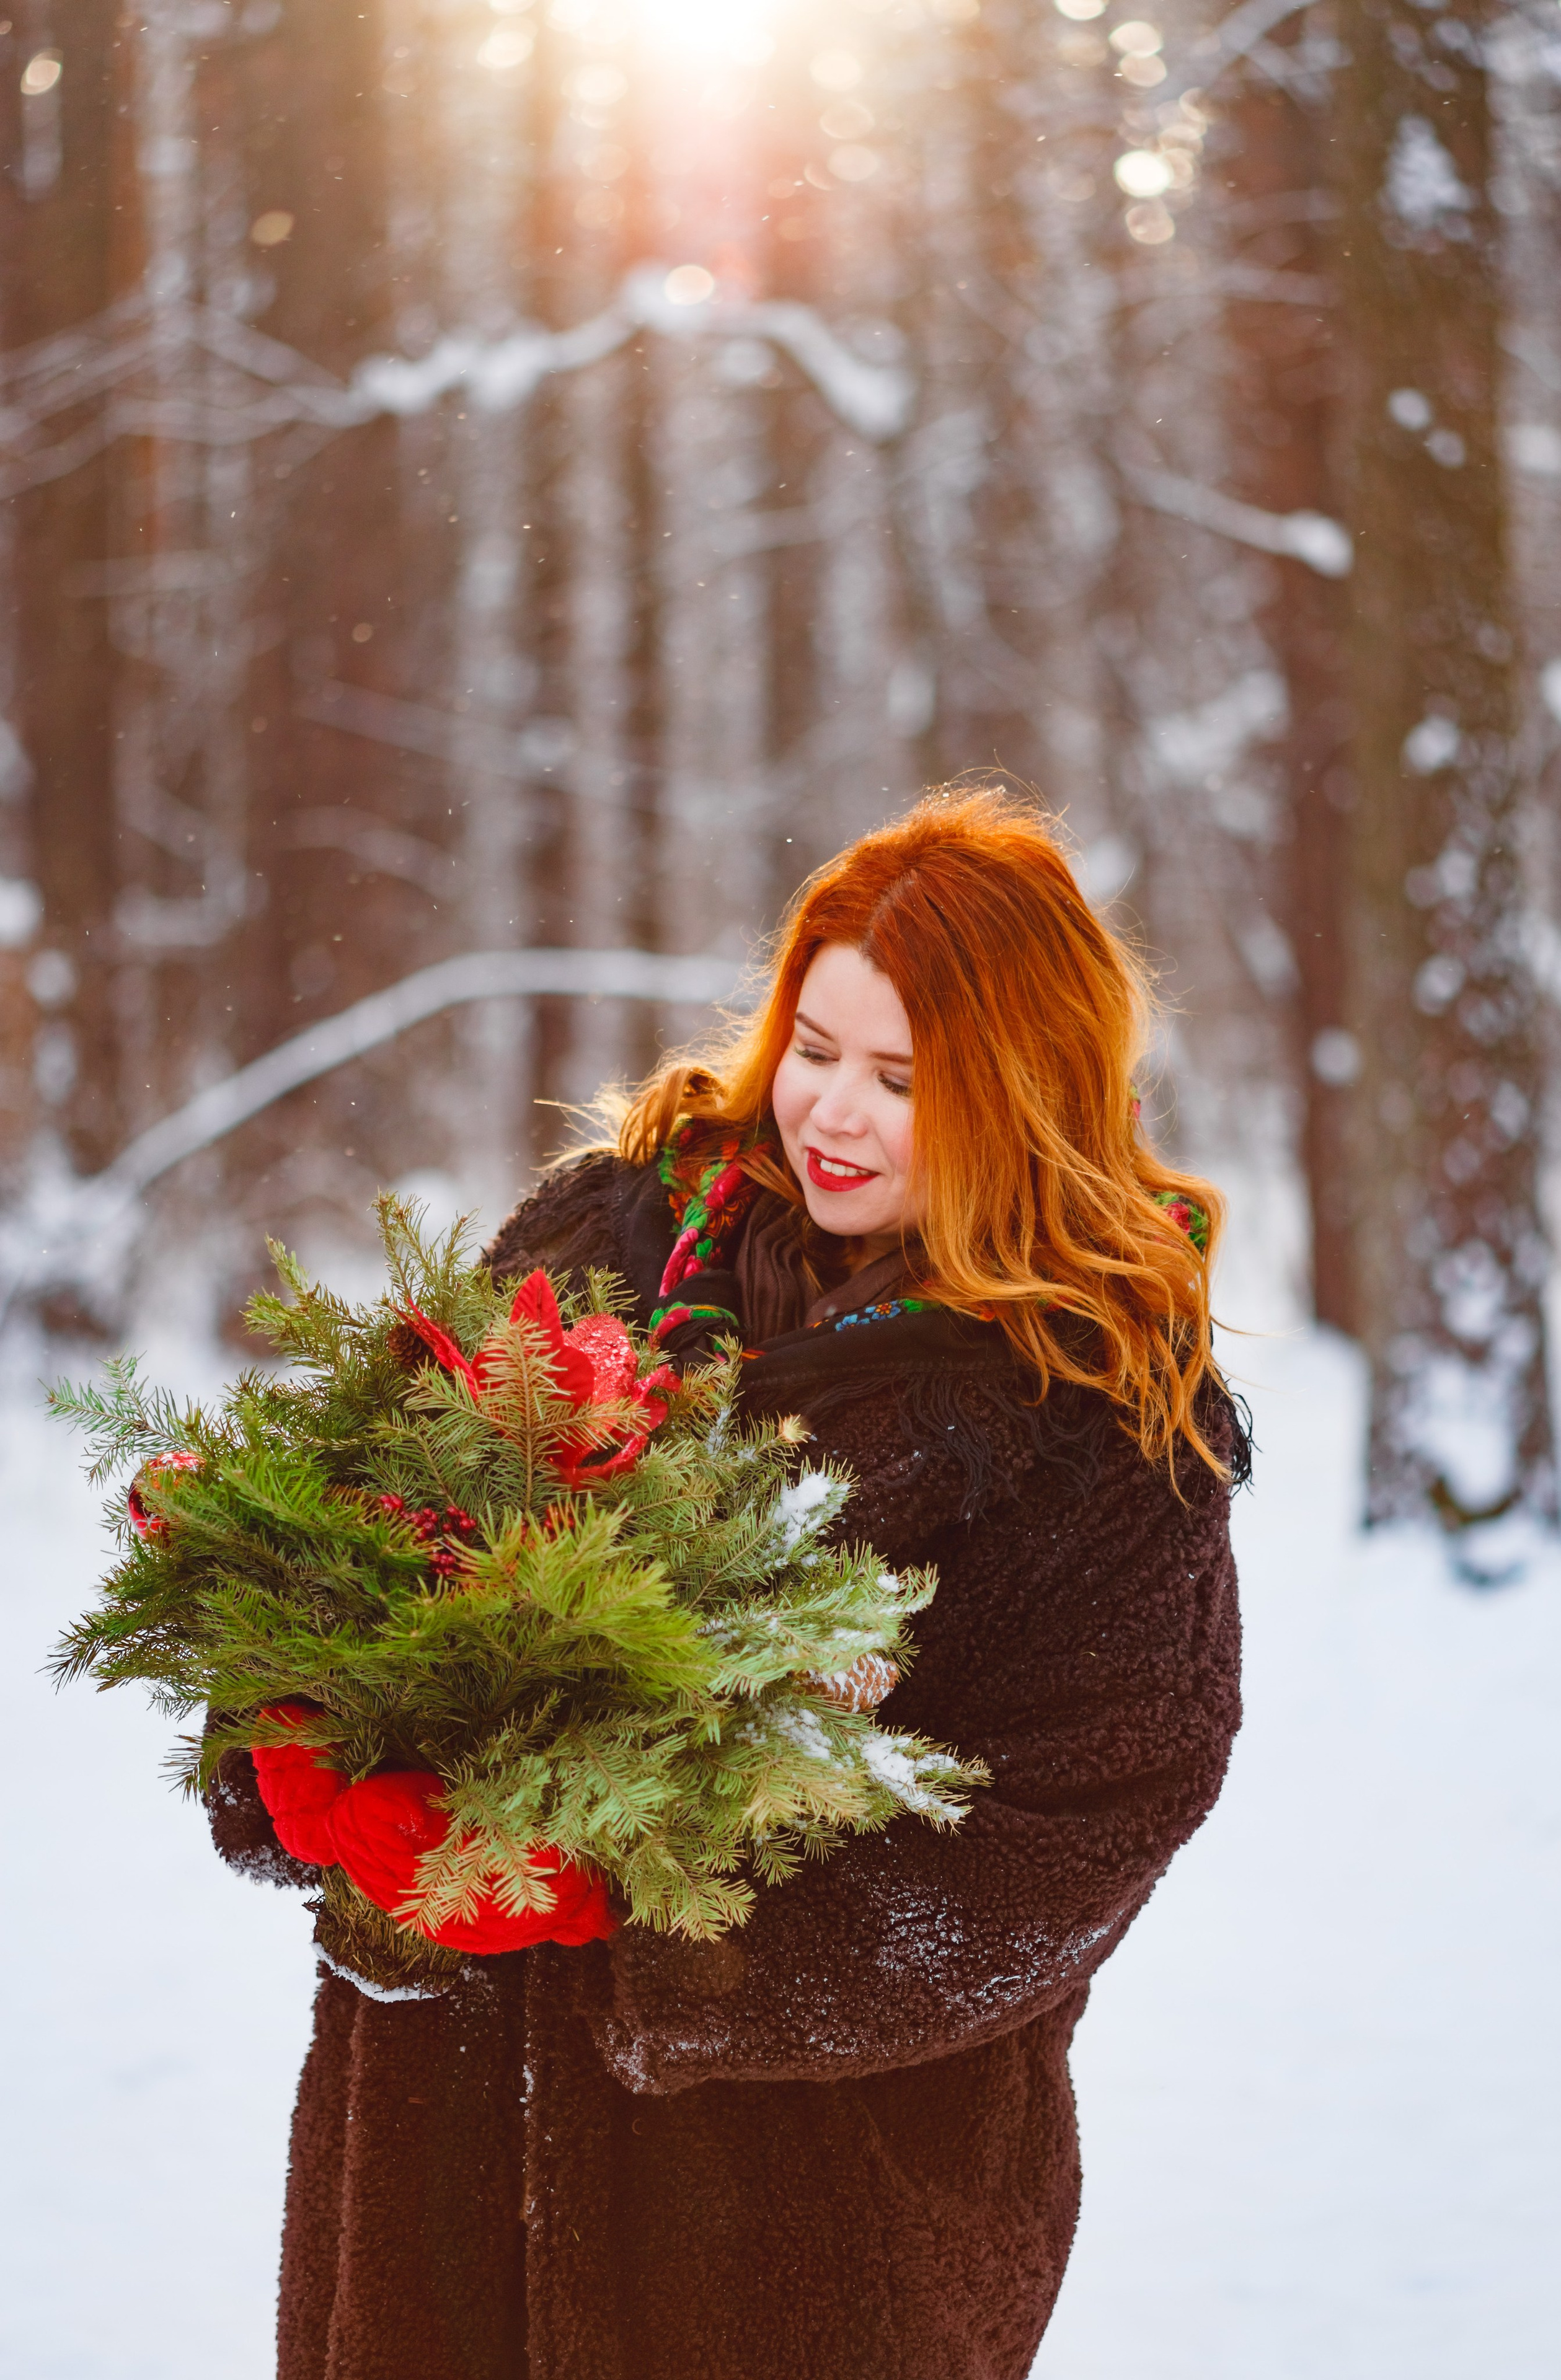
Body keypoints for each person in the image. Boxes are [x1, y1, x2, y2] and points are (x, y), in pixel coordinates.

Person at [208, 785, 1245, 2380]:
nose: (830, 1112)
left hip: (802, 2226)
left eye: (903, 1080)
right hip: (436, 2157)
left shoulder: (1095, 1418)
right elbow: (372, 1522)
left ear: (1021, 1093)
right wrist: (302, 1741)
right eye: (815, 1049)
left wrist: (654, 1922)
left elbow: (1065, 1837)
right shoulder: (607, 1240)